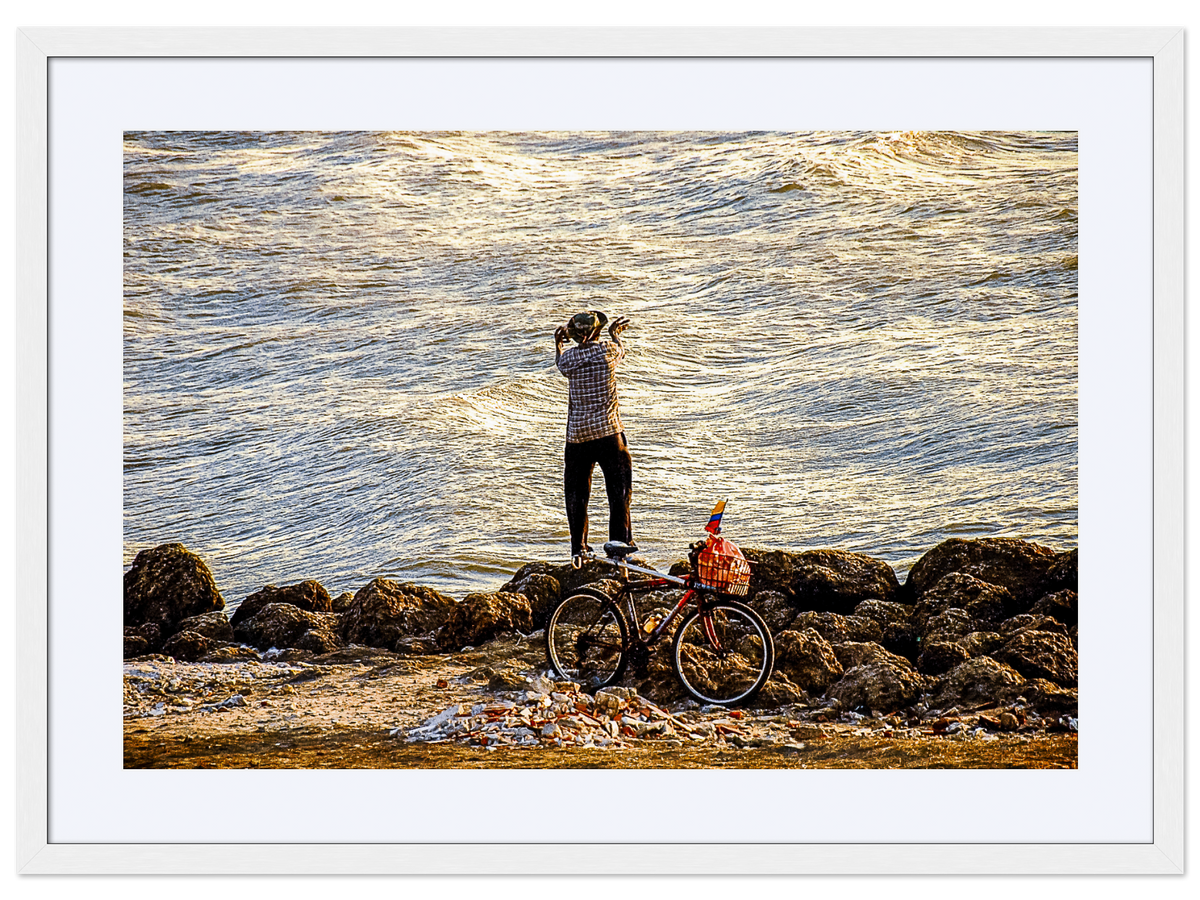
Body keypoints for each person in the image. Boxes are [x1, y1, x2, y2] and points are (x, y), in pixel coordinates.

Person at [555, 309, 635, 562]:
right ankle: (619, 546)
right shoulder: (608, 352)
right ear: (597, 332)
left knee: (576, 495)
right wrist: (616, 335)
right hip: (609, 432)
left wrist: (558, 344)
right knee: (619, 491)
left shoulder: (568, 360)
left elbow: (560, 362)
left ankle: (578, 549)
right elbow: (620, 350)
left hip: (578, 437)